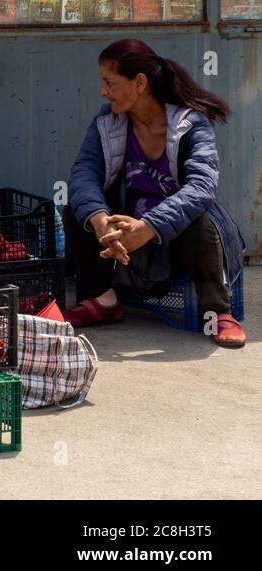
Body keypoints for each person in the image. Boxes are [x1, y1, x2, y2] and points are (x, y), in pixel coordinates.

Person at [64, 39, 246, 348]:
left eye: (110, 83)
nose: (102, 92)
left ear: (139, 83)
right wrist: (101, 221)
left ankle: (218, 311)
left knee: (199, 219)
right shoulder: (107, 123)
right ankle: (103, 301)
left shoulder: (191, 124)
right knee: (78, 209)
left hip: (178, 240)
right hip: (131, 237)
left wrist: (148, 227)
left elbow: (202, 188)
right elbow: (83, 173)